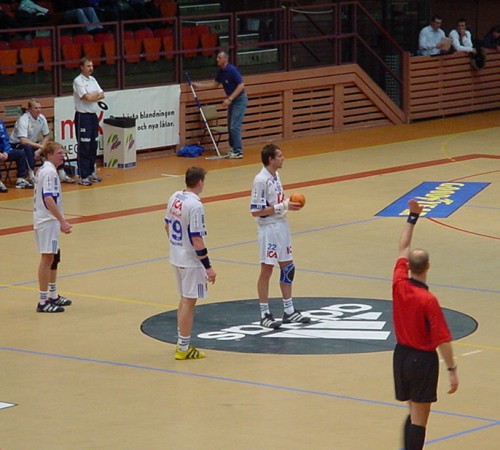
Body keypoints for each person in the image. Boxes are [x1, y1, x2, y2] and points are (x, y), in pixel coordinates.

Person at [392, 199, 459, 450]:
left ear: (408, 266)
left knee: (412, 411)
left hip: (401, 356)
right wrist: (452, 369)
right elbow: (443, 339)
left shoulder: (399, 283)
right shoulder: (428, 300)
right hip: (422, 360)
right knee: (419, 420)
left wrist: (412, 217)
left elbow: (403, 246)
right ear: (428, 267)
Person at [250, 143, 310, 329]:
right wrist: (283, 206)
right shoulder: (260, 180)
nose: (283, 158)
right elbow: (255, 211)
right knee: (266, 270)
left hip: (281, 225)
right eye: (280, 156)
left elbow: (277, 203)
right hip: (269, 229)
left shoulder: (276, 176)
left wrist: (288, 204)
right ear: (271, 159)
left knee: (288, 268)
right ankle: (264, 314)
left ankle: (289, 310)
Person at [164, 166, 217, 360]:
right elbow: (197, 239)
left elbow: (166, 225)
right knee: (189, 301)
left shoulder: (175, 197)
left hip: (176, 256)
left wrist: (176, 246)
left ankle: (182, 342)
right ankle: (184, 347)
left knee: (184, 299)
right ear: (200, 182)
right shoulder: (195, 205)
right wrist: (208, 267)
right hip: (190, 261)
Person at [34, 141, 73, 313]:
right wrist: (62, 221)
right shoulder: (49, 172)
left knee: (54, 256)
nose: (62, 156)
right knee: (47, 258)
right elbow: (48, 199)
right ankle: (43, 301)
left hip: (49, 221)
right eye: (59, 153)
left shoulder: (45, 170)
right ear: (49, 155)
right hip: (47, 221)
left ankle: (53, 294)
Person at [192, 51, 248, 159]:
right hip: (232, 100)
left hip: (239, 100)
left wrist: (230, 99)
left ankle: (238, 151)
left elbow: (241, 85)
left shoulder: (231, 70)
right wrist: (199, 86)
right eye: (217, 57)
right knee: (230, 126)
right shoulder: (221, 71)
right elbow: (215, 84)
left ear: (225, 59)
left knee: (234, 126)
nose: (217, 59)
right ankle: (233, 148)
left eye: (219, 57)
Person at [9, 99, 74, 184]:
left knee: (55, 147)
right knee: (27, 148)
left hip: (33, 143)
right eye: (36, 108)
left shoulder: (41, 117)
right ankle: (31, 175)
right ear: (30, 109)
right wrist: (41, 147)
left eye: (40, 108)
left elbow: (47, 135)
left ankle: (61, 173)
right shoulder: (23, 119)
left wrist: (40, 150)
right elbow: (23, 140)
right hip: (17, 144)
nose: (38, 110)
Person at [73, 56, 104, 186]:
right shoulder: (78, 81)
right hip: (83, 117)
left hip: (93, 116)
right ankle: (83, 175)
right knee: (84, 146)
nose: (91, 68)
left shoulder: (93, 79)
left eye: (92, 66)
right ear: (82, 67)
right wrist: (94, 96)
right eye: (88, 66)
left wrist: (93, 96)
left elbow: (102, 94)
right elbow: (87, 98)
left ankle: (91, 172)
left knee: (93, 145)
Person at [0, 118, 33, 191]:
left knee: (20, 153)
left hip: (3, 151)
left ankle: (20, 179)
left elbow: (6, 139)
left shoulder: (1, 123)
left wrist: (6, 151)